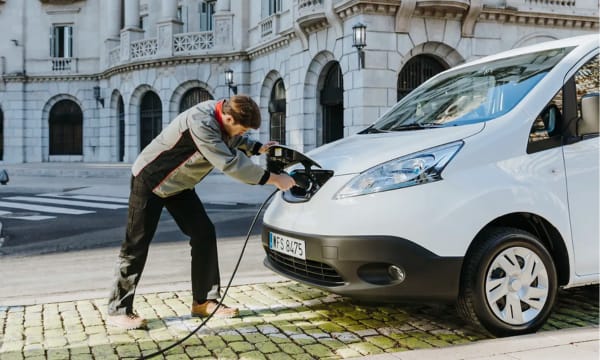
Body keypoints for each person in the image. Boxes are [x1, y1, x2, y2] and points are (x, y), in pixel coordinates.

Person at [106, 95, 295, 330]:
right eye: (242, 128)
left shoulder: (223, 114)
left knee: (204, 233)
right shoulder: (201, 123)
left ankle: (203, 301)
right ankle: (118, 310)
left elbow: (231, 137)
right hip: (150, 180)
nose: (241, 133)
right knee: (136, 244)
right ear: (227, 117)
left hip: (179, 184)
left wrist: (256, 147)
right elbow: (230, 163)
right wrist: (275, 179)